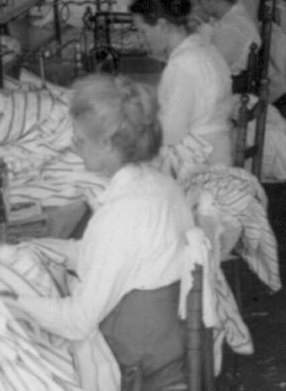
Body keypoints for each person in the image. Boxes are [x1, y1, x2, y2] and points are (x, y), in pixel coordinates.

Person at [10, 73, 192, 391]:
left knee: (14, 354)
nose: (73, 145)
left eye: (79, 140)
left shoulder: (122, 213)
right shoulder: (158, 185)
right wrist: (44, 247)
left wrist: (14, 302)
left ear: (107, 143)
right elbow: (108, 256)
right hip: (164, 340)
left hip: (133, 358)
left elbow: (79, 321)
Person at [130, 0, 234, 166]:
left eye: (143, 31)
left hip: (201, 160)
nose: (141, 39)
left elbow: (171, 133)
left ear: (162, 26)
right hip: (216, 147)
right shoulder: (203, 48)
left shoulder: (182, 65)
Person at [189, 0, 261, 79]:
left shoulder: (231, 29)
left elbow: (206, 68)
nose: (198, 3)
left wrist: (203, 29)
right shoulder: (233, 15)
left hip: (229, 87)